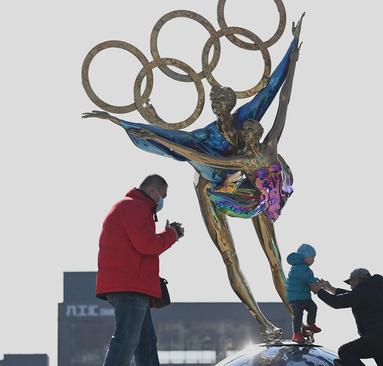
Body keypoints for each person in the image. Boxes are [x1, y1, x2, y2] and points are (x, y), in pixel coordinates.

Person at [83, 19, 304, 340]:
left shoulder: (246, 122)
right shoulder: (205, 137)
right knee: (230, 256)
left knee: (273, 254)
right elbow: (171, 140)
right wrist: (120, 122)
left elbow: (276, 95)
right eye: (216, 106)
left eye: (224, 105)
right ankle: (262, 322)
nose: (221, 110)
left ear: (231, 105)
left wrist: (291, 57)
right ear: (212, 108)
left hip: (249, 192)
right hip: (214, 194)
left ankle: (293, 317)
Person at [96, 174, 184, 366]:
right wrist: (171, 235)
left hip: (131, 286)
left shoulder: (132, 207)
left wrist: (166, 235)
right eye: (163, 194)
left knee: (146, 345)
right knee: (126, 341)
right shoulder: (134, 207)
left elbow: (141, 243)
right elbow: (146, 245)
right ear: (153, 190)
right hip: (130, 287)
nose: (163, 200)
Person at [315, 268, 383, 366]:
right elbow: (352, 296)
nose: (351, 286)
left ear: (357, 279)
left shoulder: (363, 292)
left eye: (351, 282)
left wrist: (319, 291)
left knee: (345, 351)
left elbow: (337, 302)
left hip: (376, 340)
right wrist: (331, 289)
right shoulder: (376, 291)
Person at [285, 243, 322, 343]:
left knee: (312, 307)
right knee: (298, 315)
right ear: (305, 257)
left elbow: (309, 279)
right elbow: (309, 280)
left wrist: (316, 280)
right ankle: (297, 333)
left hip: (303, 296)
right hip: (296, 298)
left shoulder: (299, 267)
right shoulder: (302, 269)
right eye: (312, 257)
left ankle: (310, 324)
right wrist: (317, 284)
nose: (313, 260)